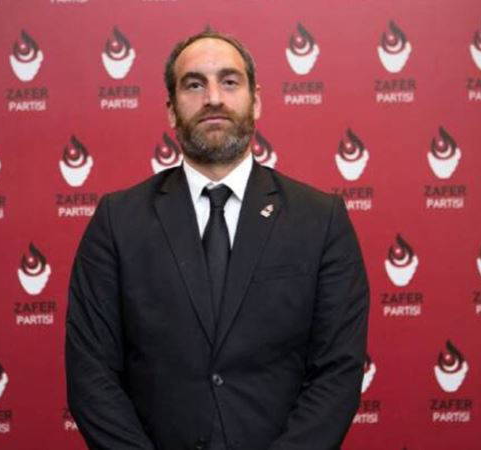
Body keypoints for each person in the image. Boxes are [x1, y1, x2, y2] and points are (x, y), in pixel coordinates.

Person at [65, 30, 369, 450]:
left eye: (229, 81)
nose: (213, 98)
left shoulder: (321, 219)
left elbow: (337, 372)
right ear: (171, 110)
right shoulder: (117, 221)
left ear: (255, 101)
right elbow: (91, 374)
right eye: (194, 84)